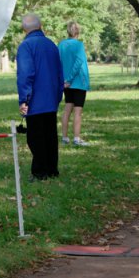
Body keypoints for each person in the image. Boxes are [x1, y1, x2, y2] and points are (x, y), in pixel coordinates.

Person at [16, 13, 63, 181]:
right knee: (50, 135)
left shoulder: (26, 46)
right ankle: (52, 169)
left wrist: (24, 99)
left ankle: (39, 171)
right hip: (51, 97)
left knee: (35, 137)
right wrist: (58, 96)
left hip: (35, 99)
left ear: (24, 29)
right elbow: (59, 74)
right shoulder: (51, 45)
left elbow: (26, 74)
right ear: (40, 25)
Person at [58, 22, 91, 146]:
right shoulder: (79, 45)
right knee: (78, 111)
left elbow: (58, 63)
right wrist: (70, 79)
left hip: (66, 83)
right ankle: (77, 139)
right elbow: (78, 63)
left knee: (67, 109)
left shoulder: (61, 45)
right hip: (78, 82)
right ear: (78, 31)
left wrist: (65, 80)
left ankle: (65, 138)